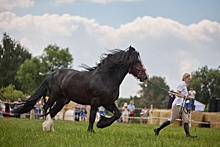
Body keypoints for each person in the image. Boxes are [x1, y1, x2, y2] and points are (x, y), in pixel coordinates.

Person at [154, 73, 197, 138]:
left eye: (189, 79)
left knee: (186, 119)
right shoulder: (182, 84)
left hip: (182, 105)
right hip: (177, 104)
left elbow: (182, 95)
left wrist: (187, 97)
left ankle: (188, 135)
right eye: (188, 79)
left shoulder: (185, 86)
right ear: (185, 78)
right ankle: (157, 129)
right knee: (172, 120)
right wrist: (185, 96)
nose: (189, 80)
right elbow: (177, 94)